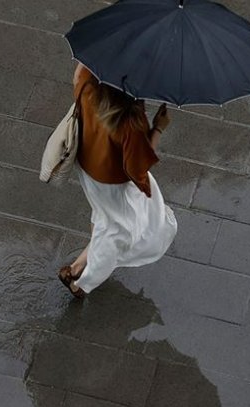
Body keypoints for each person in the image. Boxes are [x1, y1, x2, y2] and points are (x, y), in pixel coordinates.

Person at [57, 63, 178, 298]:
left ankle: (77, 267)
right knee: (119, 234)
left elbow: (77, 75)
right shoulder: (130, 121)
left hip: (88, 165)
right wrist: (158, 129)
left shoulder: (87, 81)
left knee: (106, 218)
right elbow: (137, 169)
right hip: (113, 182)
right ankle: (81, 282)